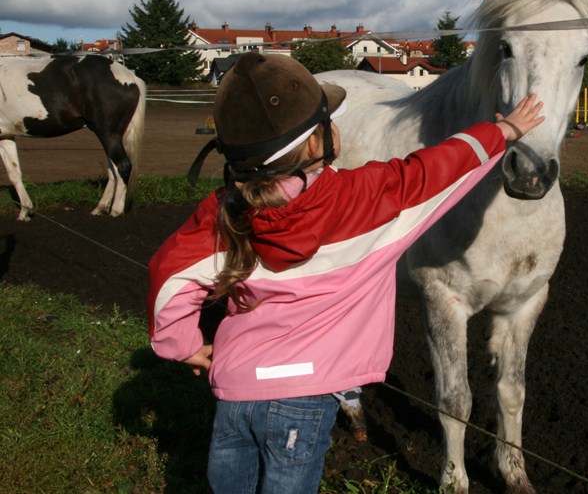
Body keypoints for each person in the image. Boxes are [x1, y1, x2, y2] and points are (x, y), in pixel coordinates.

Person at [147, 51, 544, 494]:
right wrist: (502, 132)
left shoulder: (221, 214)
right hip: (305, 400)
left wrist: (181, 344)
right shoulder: (363, 200)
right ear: (319, 143)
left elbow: (169, 277)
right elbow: (435, 171)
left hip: (234, 395)